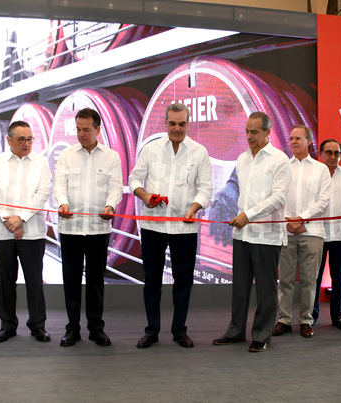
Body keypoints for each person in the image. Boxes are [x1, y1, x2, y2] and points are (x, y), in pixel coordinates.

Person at [129, 103, 212, 349]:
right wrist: (144, 196)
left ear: (188, 124)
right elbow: (134, 178)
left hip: (185, 226)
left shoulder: (199, 152)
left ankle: (179, 330)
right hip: (153, 226)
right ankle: (151, 330)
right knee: (152, 280)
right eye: (173, 123)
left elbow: (206, 188)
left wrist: (194, 208)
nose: (177, 128)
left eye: (182, 124)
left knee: (183, 280)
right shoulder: (151, 149)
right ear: (165, 123)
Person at [212, 112, 290, 352]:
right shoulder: (242, 159)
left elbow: (278, 198)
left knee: (266, 288)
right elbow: (237, 190)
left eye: (254, 132)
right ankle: (236, 331)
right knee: (240, 286)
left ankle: (262, 334)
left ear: (267, 133)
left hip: (266, 235)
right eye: (247, 131)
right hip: (242, 234)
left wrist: (249, 215)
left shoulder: (280, 160)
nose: (249, 136)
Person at [54, 108, 123, 347]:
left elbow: (116, 188)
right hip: (70, 228)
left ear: (98, 129)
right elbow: (59, 185)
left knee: (95, 282)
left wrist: (110, 205)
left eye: (86, 129)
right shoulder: (66, 156)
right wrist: (62, 203)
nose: (81, 134)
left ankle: (96, 328)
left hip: (98, 228)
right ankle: (72, 328)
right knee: (71, 280)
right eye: (78, 129)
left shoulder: (111, 157)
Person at [0, 121, 52, 343]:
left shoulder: (41, 163)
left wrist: (21, 218)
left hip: (32, 232)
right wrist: (9, 220)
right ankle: (7, 325)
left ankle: (38, 325)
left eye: (30, 139)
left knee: (34, 281)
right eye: (21, 140)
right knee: (6, 281)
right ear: (9, 141)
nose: (26, 144)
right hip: (3, 231)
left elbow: (42, 193)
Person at [272, 125, 330, 339]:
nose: (294, 142)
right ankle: (284, 320)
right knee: (285, 279)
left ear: (309, 141)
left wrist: (302, 218)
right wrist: (291, 221)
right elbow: (277, 197)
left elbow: (323, 200)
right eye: (291, 138)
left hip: (312, 230)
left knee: (309, 280)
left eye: (298, 138)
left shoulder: (320, 169)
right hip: (286, 231)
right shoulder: (283, 167)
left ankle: (306, 320)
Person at [312, 139, 341, 330]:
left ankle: (339, 315)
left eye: (336, 153)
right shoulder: (314, 174)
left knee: (339, 277)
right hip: (317, 232)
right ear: (321, 154)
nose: (332, 156)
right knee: (314, 276)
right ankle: (310, 315)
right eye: (328, 152)